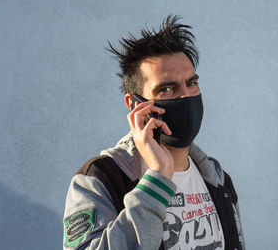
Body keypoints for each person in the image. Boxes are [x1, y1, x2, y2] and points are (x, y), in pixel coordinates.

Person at [63, 15, 244, 250]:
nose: (185, 96)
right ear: (134, 104)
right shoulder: (99, 179)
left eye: (191, 84)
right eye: (167, 88)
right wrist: (158, 175)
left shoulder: (218, 180)